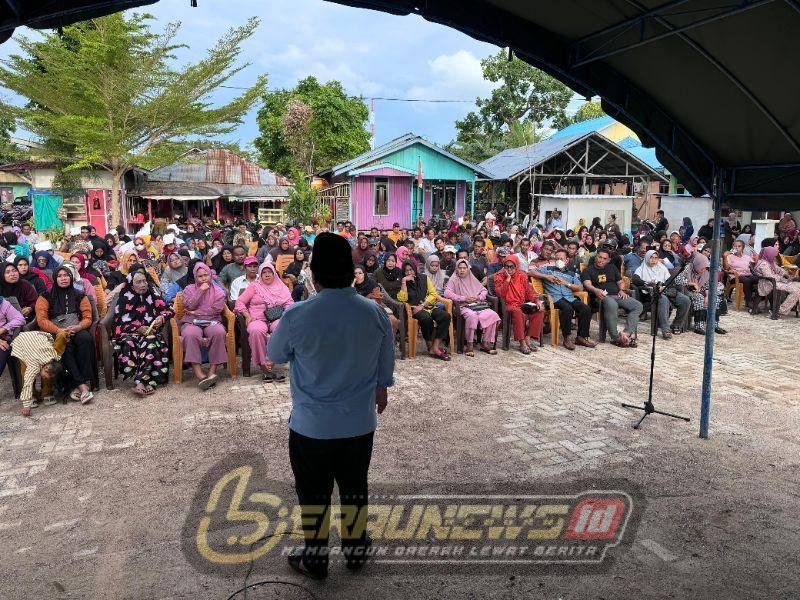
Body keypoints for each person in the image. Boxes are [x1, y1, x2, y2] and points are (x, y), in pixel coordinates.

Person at [266, 232, 394, 579]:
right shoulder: (374, 313)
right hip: (358, 424)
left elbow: (274, 354)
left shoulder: (297, 315)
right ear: (351, 270)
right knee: (354, 488)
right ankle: (355, 551)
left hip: (311, 426)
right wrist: (382, 386)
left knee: (313, 494)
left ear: (315, 274)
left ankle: (316, 557)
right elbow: (386, 359)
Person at [35, 265, 95, 404]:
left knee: (85, 340)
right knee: (65, 345)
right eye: (60, 276)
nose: (63, 278)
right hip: (55, 332)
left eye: (66, 275)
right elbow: (41, 320)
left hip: (76, 329)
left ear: (71, 277)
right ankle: (81, 386)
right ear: (55, 279)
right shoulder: (45, 296)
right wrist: (58, 330)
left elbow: (88, 317)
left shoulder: (80, 295)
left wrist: (79, 326)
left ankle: (80, 383)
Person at [111, 270, 173, 396]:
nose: (143, 284)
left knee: (150, 340)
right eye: (139, 282)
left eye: (144, 281)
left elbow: (169, 310)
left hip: (151, 333)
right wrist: (138, 328)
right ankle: (147, 381)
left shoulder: (153, 294)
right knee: (129, 342)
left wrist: (162, 317)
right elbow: (119, 322)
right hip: (129, 334)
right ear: (131, 284)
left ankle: (140, 381)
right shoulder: (124, 298)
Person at [235, 262, 293, 381]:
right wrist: (246, 315)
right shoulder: (254, 286)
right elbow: (239, 302)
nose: (267, 275)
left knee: (280, 328)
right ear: (260, 275)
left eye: (269, 272)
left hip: (277, 318)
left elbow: (289, 304)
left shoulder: (282, 287)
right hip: (257, 318)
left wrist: (286, 315)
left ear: (274, 274)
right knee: (256, 330)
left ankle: (272, 361)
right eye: (264, 273)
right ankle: (264, 367)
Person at [179, 262, 229, 389]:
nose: (203, 278)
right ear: (195, 277)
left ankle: (212, 372)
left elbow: (215, 310)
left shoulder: (218, 291)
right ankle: (200, 375)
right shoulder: (189, 289)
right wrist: (200, 291)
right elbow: (188, 305)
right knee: (190, 334)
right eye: (200, 276)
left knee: (219, 332)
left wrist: (196, 312)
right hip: (191, 321)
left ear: (210, 275)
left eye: (206, 275)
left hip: (212, 320)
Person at [583, 249, 642, 347]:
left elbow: (620, 282)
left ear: (608, 260)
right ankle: (616, 337)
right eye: (599, 257)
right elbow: (587, 284)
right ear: (596, 257)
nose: (601, 260)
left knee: (637, 305)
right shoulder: (588, 270)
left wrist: (622, 290)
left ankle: (626, 334)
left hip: (617, 294)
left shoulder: (612, 268)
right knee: (612, 304)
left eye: (604, 258)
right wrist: (595, 290)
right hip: (601, 297)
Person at [538, 249, 595, 350]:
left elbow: (580, 288)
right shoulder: (548, 269)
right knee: (567, 309)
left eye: (561, 259)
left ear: (567, 260)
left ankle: (581, 337)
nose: (558, 260)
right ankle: (567, 337)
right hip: (554, 298)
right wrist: (546, 276)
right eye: (557, 259)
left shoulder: (572, 274)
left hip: (569, 297)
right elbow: (530, 272)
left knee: (586, 309)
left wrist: (566, 283)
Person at [445, 259, 500, 356]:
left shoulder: (471, 277)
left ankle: (486, 343)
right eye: (460, 268)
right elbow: (447, 293)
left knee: (492, 314)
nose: (462, 270)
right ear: (456, 269)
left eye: (464, 268)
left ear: (468, 269)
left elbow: (483, 290)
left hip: (478, 305)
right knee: (472, 316)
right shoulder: (454, 279)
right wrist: (463, 298)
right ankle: (469, 344)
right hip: (464, 306)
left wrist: (478, 297)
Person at [397, 260, 451, 360]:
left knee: (445, 316)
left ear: (415, 269)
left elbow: (433, 294)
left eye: (411, 270)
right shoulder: (403, 281)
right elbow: (402, 299)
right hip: (414, 309)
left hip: (427, 306)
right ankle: (430, 346)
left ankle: (435, 346)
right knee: (426, 318)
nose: (409, 273)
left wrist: (423, 305)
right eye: (406, 271)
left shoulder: (424, 278)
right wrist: (404, 282)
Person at [631, 250, 691, 338]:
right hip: (652, 294)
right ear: (647, 258)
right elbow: (635, 279)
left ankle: (676, 325)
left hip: (667, 291)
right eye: (651, 258)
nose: (653, 260)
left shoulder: (662, 267)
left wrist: (664, 286)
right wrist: (648, 283)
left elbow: (669, 280)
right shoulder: (641, 268)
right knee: (664, 300)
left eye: (656, 258)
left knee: (685, 300)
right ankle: (665, 330)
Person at [492, 254, 544, 354]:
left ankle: (528, 337)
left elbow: (529, 291)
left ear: (516, 266)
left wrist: (536, 301)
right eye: (506, 266)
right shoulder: (499, 276)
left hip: (522, 304)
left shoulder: (522, 275)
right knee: (517, 312)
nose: (509, 269)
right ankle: (522, 342)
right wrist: (507, 279)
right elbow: (500, 293)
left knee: (539, 310)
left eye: (512, 266)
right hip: (509, 305)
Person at [10, 331, 66, 417]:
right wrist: (26, 405)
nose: (46, 377)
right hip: (22, 343)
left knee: (37, 373)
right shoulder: (34, 365)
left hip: (38, 337)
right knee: (26, 371)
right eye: (46, 376)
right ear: (46, 368)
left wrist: (50, 340)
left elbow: (49, 336)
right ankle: (31, 396)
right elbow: (27, 383)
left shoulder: (54, 356)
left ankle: (45, 393)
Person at [675, 253, 726, 334]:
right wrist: (692, 283)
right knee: (699, 298)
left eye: (705, 268)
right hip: (687, 291)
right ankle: (699, 326)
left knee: (715, 299)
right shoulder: (688, 268)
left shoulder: (705, 272)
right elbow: (678, 280)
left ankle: (714, 325)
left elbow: (707, 286)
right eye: (702, 268)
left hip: (700, 291)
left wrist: (707, 296)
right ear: (698, 264)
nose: (703, 270)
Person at [353, 265, 400, 337]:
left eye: (360, 273)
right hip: (357, 311)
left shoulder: (371, 283)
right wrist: (352, 285)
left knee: (393, 320)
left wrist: (367, 299)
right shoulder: (350, 286)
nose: (357, 275)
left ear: (364, 274)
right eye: (355, 273)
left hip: (374, 307)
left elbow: (377, 299)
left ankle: (389, 344)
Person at [755, 246, 800, 316]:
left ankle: (794, 309)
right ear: (769, 254)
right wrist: (783, 278)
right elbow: (770, 277)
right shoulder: (763, 264)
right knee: (796, 290)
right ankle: (779, 310)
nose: (775, 257)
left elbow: (779, 269)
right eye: (774, 255)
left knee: (798, 286)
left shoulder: (769, 262)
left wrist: (786, 274)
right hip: (768, 284)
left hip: (775, 282)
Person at [724, 238, 758, 309]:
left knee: (757, 279)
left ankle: (754, 299)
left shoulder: (747, 257)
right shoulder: (730, 256)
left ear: (742, 248)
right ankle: (749, 301)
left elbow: (754, 266)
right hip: (735, 276)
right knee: (747, 281)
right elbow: (726, 269)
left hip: (747, 275)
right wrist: (725, 257)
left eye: (739, 246)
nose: (737, 248)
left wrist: (756, 259)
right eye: (735, 246)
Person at [0, 295, 25, 379]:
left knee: (2, 352)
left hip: (2, 339)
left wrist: (4, 328)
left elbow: (20, 319)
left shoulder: (3, 303)